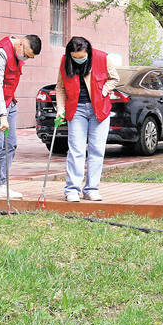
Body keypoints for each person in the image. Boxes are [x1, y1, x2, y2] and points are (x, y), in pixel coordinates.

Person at [0, 34, 42, 201]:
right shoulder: (0, 52)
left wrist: (8, 107)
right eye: (26, 55)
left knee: (10, 144)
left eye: (29, 57)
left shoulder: (18, 51)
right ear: (20, 44)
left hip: (8, 103)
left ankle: (1, 185)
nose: (25, 58)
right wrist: (2, 115)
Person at [55, 36, 120, 202]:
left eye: (81, 57)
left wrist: (104, 91)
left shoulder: (102, 58)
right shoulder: (65, 62)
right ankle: (72, 190)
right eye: (74, 57)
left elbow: (115, 79)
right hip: (76, 110)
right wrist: (60, 110)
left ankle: (91, 189)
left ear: (88, 52)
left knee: (97, 150)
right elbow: (60, 88)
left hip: (99, 110)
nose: (78, 60)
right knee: (76, 150)